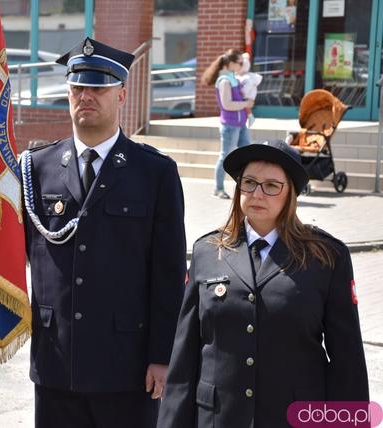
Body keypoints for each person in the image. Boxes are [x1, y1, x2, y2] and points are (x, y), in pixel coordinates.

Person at [21, 37, 187, 428]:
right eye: (78, 87)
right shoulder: (36, 167)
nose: (86, 96)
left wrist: (162, 356)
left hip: (125, 365)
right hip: (56, 360)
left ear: (122, 95)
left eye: (98, 87)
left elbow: (168, 274)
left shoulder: (155, 172)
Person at [156, 140, 369, 427]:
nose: (257, 193)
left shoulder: (326, 257)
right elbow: (184, 358)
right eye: (250, 183)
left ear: (290, 193)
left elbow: (348, 362)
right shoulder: (207, 251)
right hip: (218, 419)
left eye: (271, 185)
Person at [202, 49, 254, 199]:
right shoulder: (224, 80)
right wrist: (246, 103)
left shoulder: (232, 78)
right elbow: (227, 105)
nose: (242, 65)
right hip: (231, 125)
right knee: (225, 156)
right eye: (240, 62)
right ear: (230, 63)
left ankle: (247, 187)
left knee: (247, 154)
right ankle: (218, 189)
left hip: (239, 123)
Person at [236, 52, 262, 128]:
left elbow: (247, 88)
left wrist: (242, 92)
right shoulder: (241, 76)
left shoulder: (246, 78)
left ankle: (250, 117)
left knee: (246, 107)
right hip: (247, 94)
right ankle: (249, 117)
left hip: (248, 95)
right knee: (245, 107)